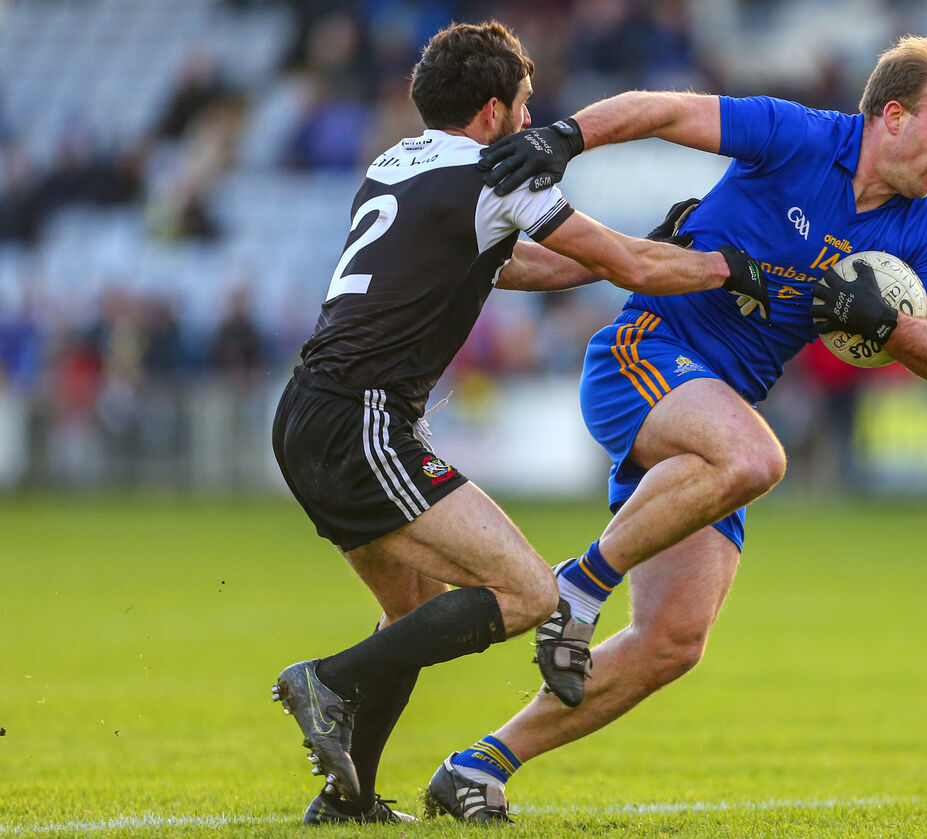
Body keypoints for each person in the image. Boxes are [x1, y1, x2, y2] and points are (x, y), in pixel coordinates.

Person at [426, 35, 927, 822]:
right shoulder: (797, 135)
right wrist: (565, 137)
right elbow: (663, 110)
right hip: (646, 352)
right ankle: (576, 588)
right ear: (893, 116)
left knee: (672, 642)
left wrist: (888, 324)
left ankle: (478, 766)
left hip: (713, 416)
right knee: (758, 456)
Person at [267, 20, 768, 826]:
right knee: (530, 592)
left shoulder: (397, 162)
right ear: (493, 110)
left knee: (413, 605)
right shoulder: (499, 174)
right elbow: (628, 267)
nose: (532, 123)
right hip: (367, 421)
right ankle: (330, 680)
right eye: (526, 105)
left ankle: (347, 797)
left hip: (308, 412)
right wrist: (726, 266)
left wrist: (638, 249)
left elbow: (523, 263)